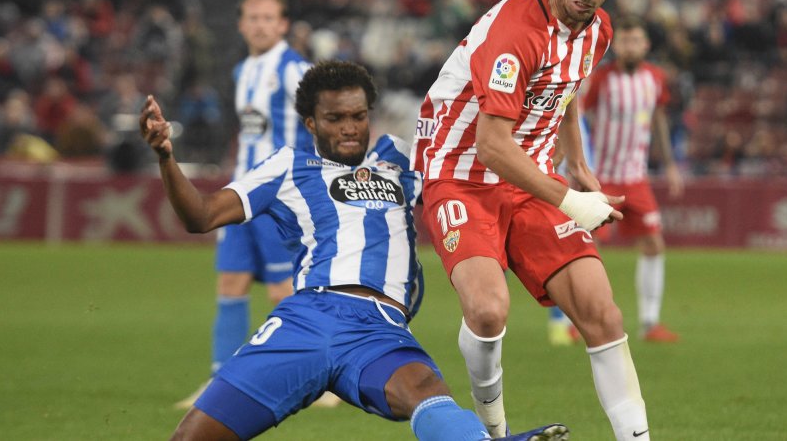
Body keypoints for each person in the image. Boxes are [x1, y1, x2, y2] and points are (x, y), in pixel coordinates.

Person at [140, 61, 570, 441]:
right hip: (307, 320)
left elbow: (474, 187)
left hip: (379, 330)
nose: (349, 127)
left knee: (426, 391)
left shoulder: (402, 159)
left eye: (358, 116)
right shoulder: (287, 166)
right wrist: (165, 156)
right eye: (335, 118)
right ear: (311, 123)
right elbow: (201, 215)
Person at [413, 0, 651, 440]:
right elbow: (492, 145)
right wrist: (570, 200)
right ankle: (494, 432)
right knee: (488, 310)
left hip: (531, 178)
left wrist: (578, 163)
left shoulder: (598, 30)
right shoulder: (515, 32)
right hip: (461, 174)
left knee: (602, 314)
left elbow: (565, 88)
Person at [176, 0, 311, 409]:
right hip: (239, 195)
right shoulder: (242, 71)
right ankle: (219, 384)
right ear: (241, 25)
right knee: (230, 283)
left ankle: (309, 381)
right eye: (253, 18)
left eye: (268, 18)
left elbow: (322, 125)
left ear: (283, 24)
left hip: (280, 200)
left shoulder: (296, 70)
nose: (260, 25)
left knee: (284, 291)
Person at [576, 15, 684, 343]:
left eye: (636, 40)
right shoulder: (602, 79)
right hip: (602, 178)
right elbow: (578, 117)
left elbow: (659, 119)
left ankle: (650, 323)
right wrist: (578, 165)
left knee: (653, 244)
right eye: (624, 41)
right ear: (617, 45)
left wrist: (670, 165)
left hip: (636, 179)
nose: (630, 47)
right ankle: (582, 320)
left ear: (646, 44)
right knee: (587, 246)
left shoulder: (655, 78)